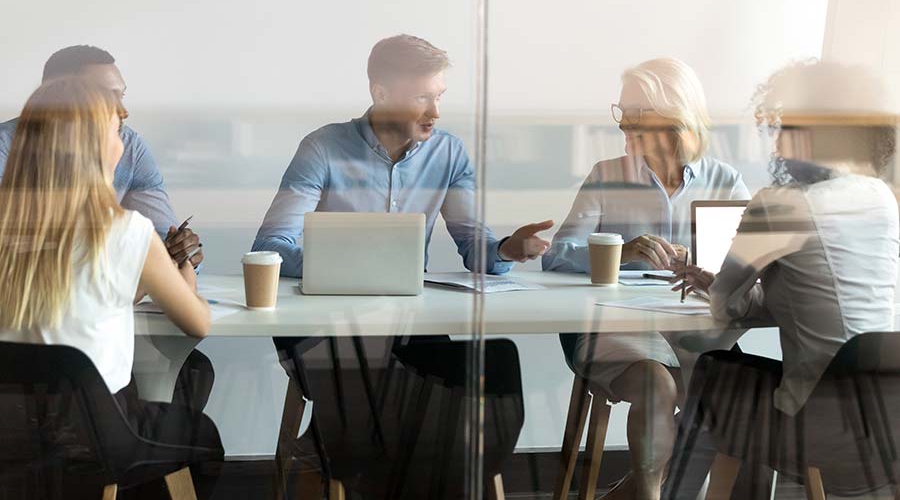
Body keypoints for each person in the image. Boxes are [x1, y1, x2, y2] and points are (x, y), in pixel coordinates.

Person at [669, 61, 899, 496]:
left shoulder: (781, 206)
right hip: (887, 422)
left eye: (783, 129)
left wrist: (716, 284)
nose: (775, 142)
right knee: (728, 383)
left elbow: (723, 307)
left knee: (712, 377)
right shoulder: (881, 200)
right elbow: (816, 294)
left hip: (822, 428)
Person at [0, 77, 223, 492]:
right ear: (96, 148)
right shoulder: (127, 232)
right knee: (202, 436)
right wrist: (183, 262)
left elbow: (94, 294)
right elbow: (198, 322)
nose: (123, 144)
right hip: (97, 438)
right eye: (115, 132)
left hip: (11, 438)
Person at [543, 58, 750, 500]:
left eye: (637, 114)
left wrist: (705, 266)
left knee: (722, 398)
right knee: (658, 386)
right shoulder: (607, 174)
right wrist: (622, 251)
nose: (624, 125)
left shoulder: (724, 181)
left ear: (676, 116)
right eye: (623, 112)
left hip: (692, 330)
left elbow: (747, 271)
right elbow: (557, 257)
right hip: (617, 327)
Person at [252, 33, 553, 273]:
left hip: (408, 316)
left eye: (438, 97)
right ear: (380, 94)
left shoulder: (448, 153)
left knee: (499, 353)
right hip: (331, 313)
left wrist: (505, 249)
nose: (434, 112)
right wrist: (343, 268)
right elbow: (270, 247)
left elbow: (474, 246)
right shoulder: (323, 149)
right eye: (421, 97)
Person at [0, 45, 204, 267]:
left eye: (121, 95)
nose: (123, 110)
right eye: (104, 96)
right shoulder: (5, 146)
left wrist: (183, 253)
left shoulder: (129, 147)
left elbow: (163, 243)